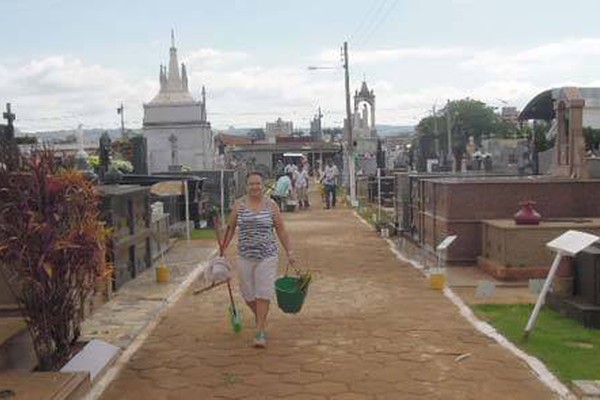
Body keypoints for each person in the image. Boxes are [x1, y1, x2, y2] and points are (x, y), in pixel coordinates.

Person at [222, 171, 295, 348]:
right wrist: (222, 249)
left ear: (263, 186)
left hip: (267, 256)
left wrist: (290, 251)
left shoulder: (271, 205)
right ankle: (260, 317)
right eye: (251, 184)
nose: (255, 187)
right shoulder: (239, 205)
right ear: (246, 187)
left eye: (258, 183)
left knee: (263, 292)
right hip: (245, 256)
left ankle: (260, 331)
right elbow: (230, 228)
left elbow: (281, 230)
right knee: (248, 295)